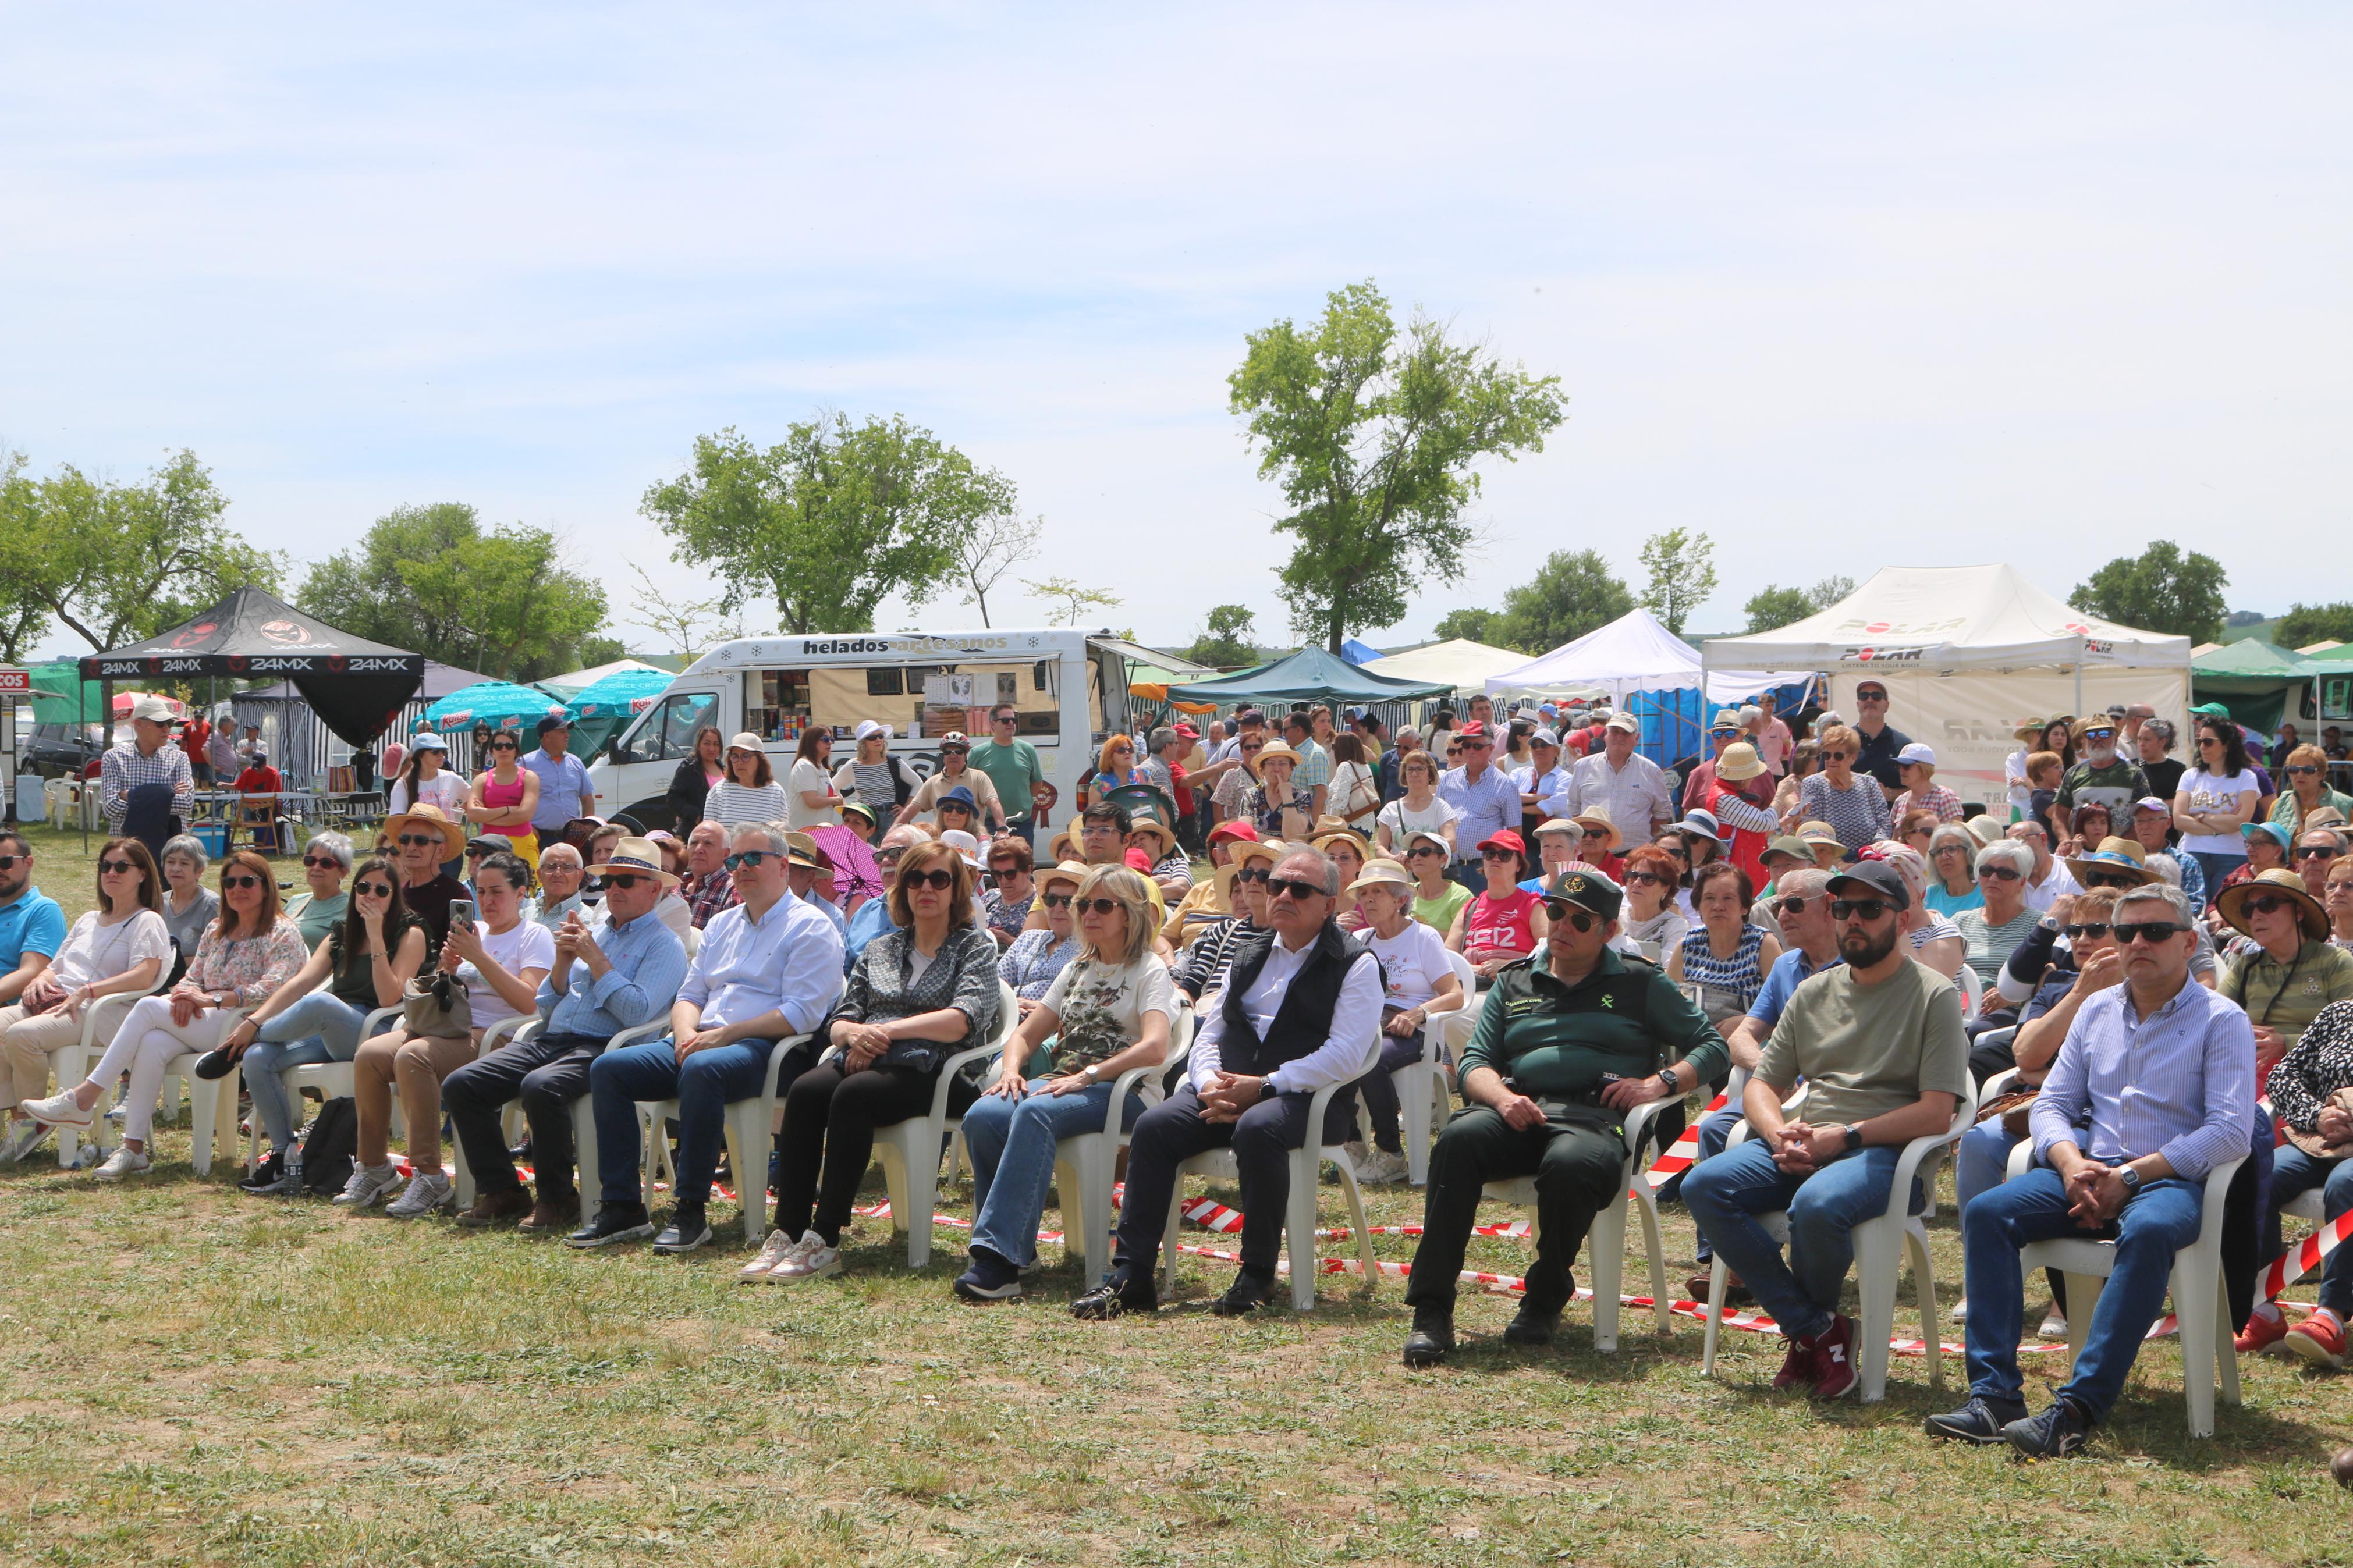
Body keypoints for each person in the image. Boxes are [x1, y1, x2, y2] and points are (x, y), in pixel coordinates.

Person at [1931, 881, 2253, 1456]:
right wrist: (2069, 1161)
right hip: (2085, 1169)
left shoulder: (2220, 1019)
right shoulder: (2095, 1009)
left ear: (2186, 941)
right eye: (2125, 932)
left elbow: (2230, 1128)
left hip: (2168, 1181)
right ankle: (1994, 1397)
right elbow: (2052, 1103)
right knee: (1987, 1212)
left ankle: (2076, 1409)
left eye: (2154, 932)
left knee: (2150, 1228)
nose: (2137, 943)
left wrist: (2129, 1177)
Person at [1402, 868, 1727, 1365]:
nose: (1562, 925)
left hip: (1595, 1118)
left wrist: (1658, 1083)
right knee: (1457, 1139)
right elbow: (1473, 1063)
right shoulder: (1514, 981)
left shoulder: (1639, 982)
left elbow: (1712, 1046)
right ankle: (1431, 1308)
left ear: (1608, 932)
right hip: (1517, 1108)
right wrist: (1501, 1098)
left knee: (1572, 1164)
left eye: (1580, 919)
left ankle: (1543, 1299)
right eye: (1555, 912)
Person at [1685, 859, 1969, 1399]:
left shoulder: (1932, 995)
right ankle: (1816, 1329)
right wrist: (1776, 1135)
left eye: (1869, 908)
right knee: (1705, 1184)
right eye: (1843, 908)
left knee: (1815, 1205)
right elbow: (1761, 1084)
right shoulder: (1812, 991)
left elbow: (1937, 1112)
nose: (1853, 919)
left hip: (1885, 1152)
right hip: (1806, 1141)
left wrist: (1847, 1136)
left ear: (1902, 919)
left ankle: (1809, 1340)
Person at [1072, 848, 1382, 1320]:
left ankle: (1257, 1272)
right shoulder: (1249, 951)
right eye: (1276, 885)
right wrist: (1207, 1084)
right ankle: (1132, 1275)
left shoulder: (1356, 963)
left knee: (1258, 1127)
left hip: (1308, 1102)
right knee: (1155, 1127)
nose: (1281, 895)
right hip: (1224, 1092)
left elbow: (1346, 1053)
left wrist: (1264, 1086)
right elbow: (1209, 1032)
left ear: (1329, 903)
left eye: (1299, 889)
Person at [569, 823, 846, 1250]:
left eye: (754, 858)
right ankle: (623, 1205)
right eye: (735, 860)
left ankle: (691, 1210)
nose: (741, 867)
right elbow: (691, 994)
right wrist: (683, 1033)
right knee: (609, 1068)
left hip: (770, 1048)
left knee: (700, 1068)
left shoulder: (811, 925)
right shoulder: (721, 924)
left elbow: (801, 1013)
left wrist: (721, 1037)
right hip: (700, 1040)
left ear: (783, 866)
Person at [753, 837, 1003, 1282]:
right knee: (807, 1091)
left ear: (955, 889)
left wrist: (883, 1032)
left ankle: (825, 1238)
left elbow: (961, 1020)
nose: (926, 888)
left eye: (938, 879)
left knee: (852, 1095)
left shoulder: (975, 947)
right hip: (867, 1057)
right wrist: (856, 1034)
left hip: (935, 1070)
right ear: (903, 887)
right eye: (915, 878)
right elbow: (841, 1018)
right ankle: (789, 1230)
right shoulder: (880, 948)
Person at [443, 838, 690, 1232]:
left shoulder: (665, 945)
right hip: (553, 1037)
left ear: (654, 888)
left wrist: (595, 961)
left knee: (541, 1087)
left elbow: (636, 1013)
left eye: (626, 881)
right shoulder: (599, 932)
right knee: (463, 1083)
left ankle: (558, 1197)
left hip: (607, 1048)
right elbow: (546, 1003)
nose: (613, 889)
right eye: (609, 880)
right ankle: (504, 1189)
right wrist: (561, 964)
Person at [953, 866, 1175, 1300]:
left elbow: (1155, 1048)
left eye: (1103, 905)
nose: (1089, 913)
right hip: (1065, 1084)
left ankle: (998, 1260)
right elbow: (1023, 1034)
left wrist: (1089, 1074)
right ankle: (1017, 1249)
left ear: (1129, 915)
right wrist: (1013, 1071)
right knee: (984, 1113)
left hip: (1123, 1092)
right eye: (1083, 904)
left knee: (1036, 1111)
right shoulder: (1078, 967)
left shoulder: (1149, 970)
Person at [22, 850, 307, 1180]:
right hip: (206, 1018)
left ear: (266, 886)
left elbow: (276, 987)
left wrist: (211, 999)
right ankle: (133, 1149)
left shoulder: (282, 932)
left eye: (247, 881)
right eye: (230, 881)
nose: (237, 888)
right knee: (153, 1043)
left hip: (245, 1024)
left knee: (146, 1007)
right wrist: (186, 994)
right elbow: (191, 975)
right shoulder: (217, 928)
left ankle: (85, 1096)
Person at [338, 851, 555, 1218]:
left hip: (495, 1036)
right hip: (447, 1026)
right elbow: (442, 991)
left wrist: (480, 956)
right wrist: (447, 968)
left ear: (521, 894)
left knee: (413, 1055)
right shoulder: (473, 930)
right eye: (481, 892)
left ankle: (430, 1175)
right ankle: (374, 1166)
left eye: (497, 892)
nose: (487, 901)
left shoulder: (534, 936)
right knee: (371, 1055)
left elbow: (528, 1001)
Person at [218, 856, 428, 1192]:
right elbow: (300, 983)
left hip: (378, 1033)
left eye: (381, 890)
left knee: (321, 1003)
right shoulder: (342, 934)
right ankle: (283, 1157)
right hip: (334, 1029)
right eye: (363, 888)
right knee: (258, 1057)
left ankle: (246, 1038)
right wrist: (257, 1017)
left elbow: (390, 997)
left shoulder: (411, 933)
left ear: (394, 896)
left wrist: (376, 938)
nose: (370, 895)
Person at [0, 840, 168, 1164]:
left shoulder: (147, 921)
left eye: (121, 867)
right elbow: (56, 965)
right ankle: (23, 1118)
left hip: (97, 1011)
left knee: (22, 1035)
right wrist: (40, 980)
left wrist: (89, 991)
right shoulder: (90, 918)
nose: (111, 873)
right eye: (105, 866)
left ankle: (32, 1120)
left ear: (143, 874)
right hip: (60, 1001)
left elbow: (145, 975)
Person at [2240, 1000, 2353, 1367]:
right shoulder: (2338, 1013)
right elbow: (2283, 1076)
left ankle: (2332, 1317)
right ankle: (2264, 1311)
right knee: (2258, 1178)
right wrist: (2317, 1115)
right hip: (2319, 1139)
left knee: (2345, 1185)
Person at [1347, 860, 1467, 1185]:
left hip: (1416, 1033)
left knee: (1370, 1060)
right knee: (1334, 1051)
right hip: (1370, 1026)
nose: (1368, 900)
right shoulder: (1360, 939)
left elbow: (1455, 995)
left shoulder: (1422, 937)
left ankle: (1390, 1153)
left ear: (1401, 900)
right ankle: (1351, 1144)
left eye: (1377, 892)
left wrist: (1418, 1014)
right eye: (1363, 893)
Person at [2215, 867, 2353, 1086]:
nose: (2257, 916)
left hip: (2311, 1077)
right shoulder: (2247, 965)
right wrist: (2238, 1030)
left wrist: (2286, 1043)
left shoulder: (2335, 961)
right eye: (2249, 909)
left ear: (2298, 912)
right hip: (2247, 1071)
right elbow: (2213, 1018)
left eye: (2268, 905)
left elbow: (2347, 1035)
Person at [1669, 862, 1784, 1024]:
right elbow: (1668, 1002)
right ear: (1698, 906)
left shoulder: (1763, 944)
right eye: (1709, 898)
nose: (1718, 906)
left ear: (1744, 907)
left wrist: (1745, 1022)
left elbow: (1784, 1005)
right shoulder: (1687, 945)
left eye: (1728, 898)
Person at [2177, 714, 2264, 897]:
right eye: (2200, 741)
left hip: (2232, 855)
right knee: (2193, 910)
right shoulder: (2190, 776)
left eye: (2208, 742)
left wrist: (2201, 817)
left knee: (2222, 911)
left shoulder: (2246, 777)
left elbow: (2241, 822)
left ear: (2227, 745)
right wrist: (2222, 825)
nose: (2202, 746)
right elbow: (2178, 820)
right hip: (2193, 853)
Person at [98, 696, 196, 855]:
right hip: (127, 849)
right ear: (138, 724)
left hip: (169, 849)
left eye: (169, 723)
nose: (166, 729)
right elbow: (110, 808)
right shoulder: (114, 757)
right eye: (160, 723)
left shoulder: (179, 758)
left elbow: (186, 804)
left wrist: (131, 796)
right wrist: (166, 797)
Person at [1439, 721, 1523, 894]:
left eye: (1477, 746)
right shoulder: (1448, 780)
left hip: (1484, 868)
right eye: (1466, 745)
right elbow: (1437, 819)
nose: (1470, 751)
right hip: (1449, 866)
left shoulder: (1506, 785)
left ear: (1491, 749)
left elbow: (1515, 832)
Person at [1953, 838, 2041, 987]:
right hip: (1961, 1005)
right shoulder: (1960, 921)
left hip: (2009, 1007)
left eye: (2005, 873)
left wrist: (2012, 996)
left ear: (2022, 882)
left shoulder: (2037, 924)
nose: (1993, 879)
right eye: (1986, 871)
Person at [382, 803, 471, 950]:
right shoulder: (392, 893)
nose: (410, 847)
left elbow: (459, 953)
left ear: (440, 850)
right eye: (404, 840)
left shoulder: (457, 896)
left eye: (421, 841)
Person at [1000, 860, 1086, 1008]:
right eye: (1051, 899)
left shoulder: (1090, 949)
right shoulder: (1029, 938)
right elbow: (998, 984)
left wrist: (1038, 1008)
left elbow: (1085, 1003)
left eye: (1068, 901)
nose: (1058, 908)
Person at [0, 830, 66, 1020]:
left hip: (10, 1009)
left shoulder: (43, 910)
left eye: (6, 863)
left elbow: (31, 972)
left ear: (28, 863)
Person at [1161, 820, 1259, 947]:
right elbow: (1165, 938)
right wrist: (1170, 961)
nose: (1229, 857)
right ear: (1215, 855)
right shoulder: (1199, 891)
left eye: (1237, 849)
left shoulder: (1260, 892)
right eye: (1224, 848)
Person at [1797, 724, 1891, 855]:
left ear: (1853, 758)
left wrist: (1874, 853)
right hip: (1830, 862)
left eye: (1838, 756)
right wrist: (1838, 862)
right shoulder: (1813, 784)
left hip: (1870, 857)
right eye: (1826, 755)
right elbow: (1814, 829)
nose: (1831, 760)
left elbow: (1884, 823)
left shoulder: (1869, 783)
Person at [899, 732, 1007, 834]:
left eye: (958, 752)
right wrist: (893, 830)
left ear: (965, 756)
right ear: (943, 757)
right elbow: (912, 809)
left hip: (974, 839)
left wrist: (1002, 829)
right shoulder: (933, 782)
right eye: (948, 752)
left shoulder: (979, 777)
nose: (953, 755)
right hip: (942, 841)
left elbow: (994, 803)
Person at [968, 704, 1046, 845]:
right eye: (1005, 720)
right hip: (989, 824)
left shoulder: (1027, 749)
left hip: (1022, 824)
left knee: (1023, 866)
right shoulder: (978, 753)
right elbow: (968, 784)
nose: (1011, 723)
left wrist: (1021, 801)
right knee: (991, 866)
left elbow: (1037, 783)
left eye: (1013, 720)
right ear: (993, 724)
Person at [1375, 749, 1458, 858]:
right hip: (1401, 872)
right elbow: (1379, 847)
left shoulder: (1441, 807)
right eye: (1410, 769)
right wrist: (1395, 858)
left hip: (1431, 873)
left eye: (1420, 769)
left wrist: (1420, 853)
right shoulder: (1391, 809)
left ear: (1431, 774)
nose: (1414, 774)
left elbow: (1451, 843)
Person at [1613, 843, 1689, 963]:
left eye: (1649, 878)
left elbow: (1670, 970)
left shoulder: (1676, 926)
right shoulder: (1614, 919)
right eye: (1632, 876)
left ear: (1666, 889)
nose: (1637, 883)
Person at [283, 832, 354, 947]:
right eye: (310, 860)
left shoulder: (350, 907)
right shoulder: (296, 900)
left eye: (326, 863)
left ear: (343, 872)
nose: (316, 867)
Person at [1399, 829, 1471, 939]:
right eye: (1412, 853)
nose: (1417, 857)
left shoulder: (1460, 897)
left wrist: (1419, 930)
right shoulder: (1404, 893)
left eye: (1425, 852)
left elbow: (1466, 939)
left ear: (1443, 859)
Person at [1848, 680, 1912, 798]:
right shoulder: (1842, 743)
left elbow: (1919, 788)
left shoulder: (1905, 746)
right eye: (1864, 696)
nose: (1870, 700)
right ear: (1858, 704)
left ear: (1887, 706)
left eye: (1877, 696)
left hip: (1892, 816)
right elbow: (1823, 782)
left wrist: (1889, 794)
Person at [2273, 744, 2353, 835]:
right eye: (2294, 769)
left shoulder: (2345, 805)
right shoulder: (2279, 804)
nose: (2300, 775)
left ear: (2321, 775)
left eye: (2308, 770)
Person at [1511, 728, 1570, 844]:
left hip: (1552, 843)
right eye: (1534, 746)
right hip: (1521, 843)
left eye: (1544, 745)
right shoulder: (1519, 774)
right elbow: (1506, 797)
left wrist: (1518, 808)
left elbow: (1556, 805)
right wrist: (1541, 798)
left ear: (1556, 751)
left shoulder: (1565, 778)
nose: (1539, 749)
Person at [663, 725, 727, 831]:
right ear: (698, 745)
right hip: (694, 831)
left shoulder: (723, 768)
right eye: (707, 743)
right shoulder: (689, 768)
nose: (712, 748)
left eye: (716, 744)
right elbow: (672, 799)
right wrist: (696, 815)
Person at [677, 820, 738, 929]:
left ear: (726, 854)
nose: (698, 849)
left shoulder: (733, 890)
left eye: (708, 843)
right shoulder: (675, 883)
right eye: (694, 843)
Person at [981, 836, 1037, 948]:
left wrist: (1007, 939)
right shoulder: (989, 897)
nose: (1004, 881)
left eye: (1010, 874)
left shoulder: (1040, 902)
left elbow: (1039, 948)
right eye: (997, 874)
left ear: (1028, 870)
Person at [1277, 712, 1332, 820]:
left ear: (1298, 730)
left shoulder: (1315, 754)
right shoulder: (1294, 752)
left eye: (1285, 730)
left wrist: (1313, 826)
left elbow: (1321, 794)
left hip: (1304, 823)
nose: (1283, 734)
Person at [785, 728, 843, 829]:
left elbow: (830, 795)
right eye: (825, 739)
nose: (830, 743)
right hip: (805, 834)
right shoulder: (805, 766)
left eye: (831, 739)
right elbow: (811, 801)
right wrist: (834, 800)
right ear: (812, 742)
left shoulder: (820, 766)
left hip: (819, 833)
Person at [1891, 744, 1964, 824]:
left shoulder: (1946, 797)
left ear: (1924, 768)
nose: (1901, 770)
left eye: (1906, 766)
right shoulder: (1900, 801)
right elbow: (1894, 836)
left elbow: (1957, 834)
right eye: (1898, 766)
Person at [1329, 733, 1381, 838]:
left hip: (1350, 823)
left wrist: (1332, 821)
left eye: (1335, 746)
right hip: (1368, 824)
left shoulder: (1345, 766)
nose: (1334, 750)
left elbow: (1340, 797)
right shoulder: (1365, 766)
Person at [1925, 824, 1982, 917]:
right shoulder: (1929, 895)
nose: (1944, 857)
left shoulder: (1985, 895)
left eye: (1952, 849)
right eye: (1939, 852)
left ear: (1968, 854)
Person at [1519, 818, 1590, 893]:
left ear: (1575, 851)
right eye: (1546, 846)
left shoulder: (1586, 890)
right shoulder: (1524, 890)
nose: (1551, 853)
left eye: (1559, 847)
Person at [531, 842, 591, 930]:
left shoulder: (585, 922)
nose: (558, 873)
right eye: (551, 867)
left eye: (567, 867)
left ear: (580, 876)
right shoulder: (524, 914)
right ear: (539, 875)